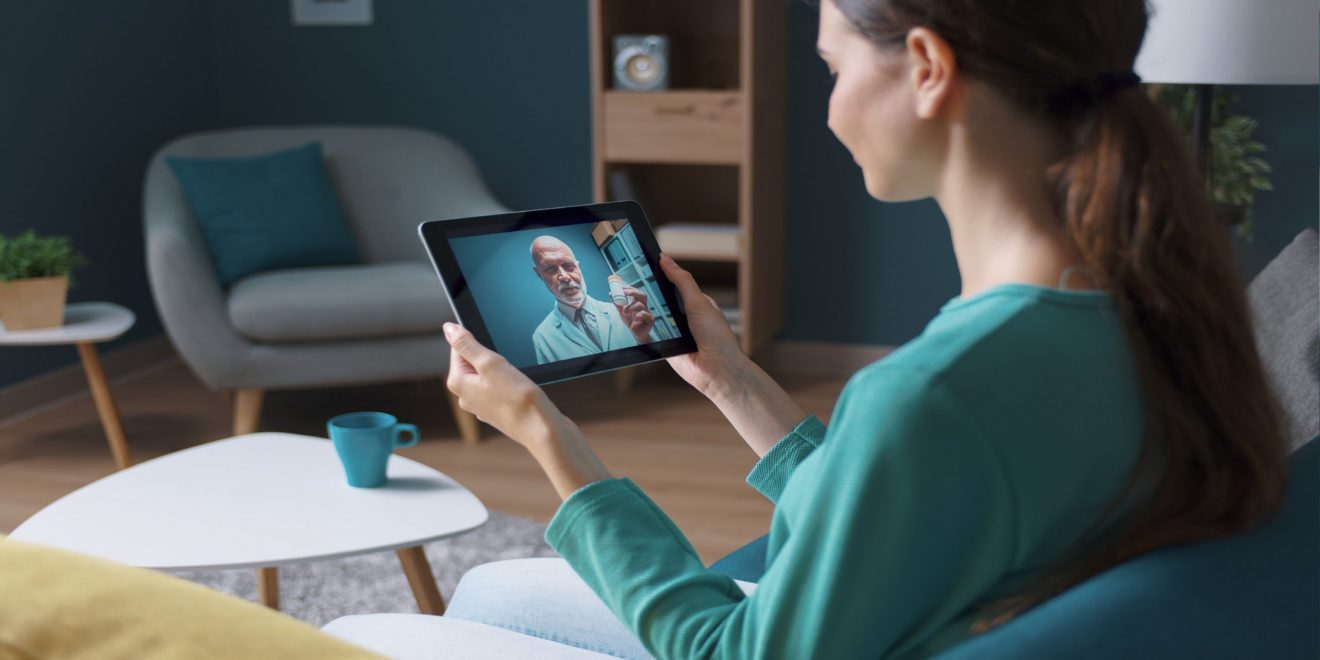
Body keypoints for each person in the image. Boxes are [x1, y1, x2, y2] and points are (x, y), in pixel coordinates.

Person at [326, 0, 1288, 657]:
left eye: (831, 68)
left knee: (372, 639)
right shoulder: (1143, 307)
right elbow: (913, 492)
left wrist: (543, 431)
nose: (827, 108)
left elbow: (733, 651)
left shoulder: (938, 388)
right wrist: (731, 378)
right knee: (492, 590)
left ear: (925, 68)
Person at [529, 235, 656, 365]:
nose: (565, 277)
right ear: (539, 274)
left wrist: (644, 339)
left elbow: (661, 363)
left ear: (579, 267)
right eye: (551, 269)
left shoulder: (625, 312)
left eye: (568, 266)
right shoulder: (542, 337)